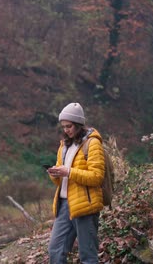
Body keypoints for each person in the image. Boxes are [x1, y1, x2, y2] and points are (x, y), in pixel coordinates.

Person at [47, 102, 105, 264]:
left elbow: (96, 177)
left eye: (69, 126)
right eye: (64, 127)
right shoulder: (64, 145)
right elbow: (60, 181)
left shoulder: (92, 144)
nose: (66, 130)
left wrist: (69, 172)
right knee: (55, 251)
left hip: (86, 205)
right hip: (64, 205)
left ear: (79, 124)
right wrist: (55, 173)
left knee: (88, 255)